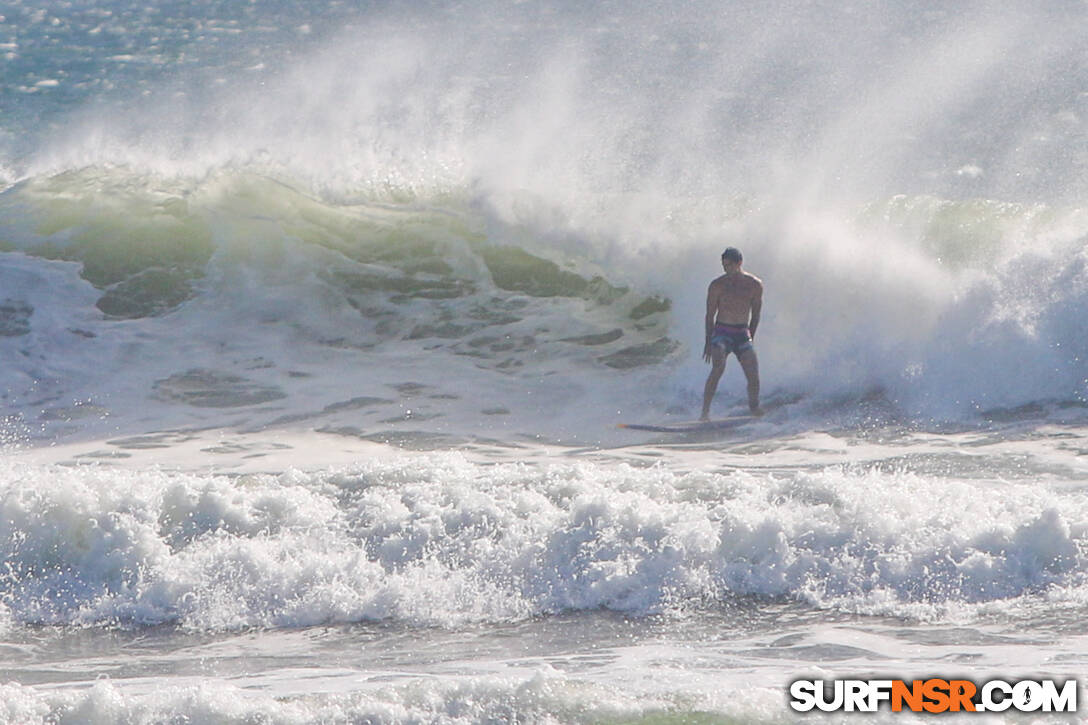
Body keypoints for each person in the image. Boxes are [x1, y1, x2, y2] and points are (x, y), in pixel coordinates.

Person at [701, 246, 763, 420]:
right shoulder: (717, 285)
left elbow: (756, 314)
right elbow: (709, 315)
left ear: (739, 263)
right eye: (724, 266)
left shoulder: (754, 285)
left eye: (729, 265)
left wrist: (751, 338)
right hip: (722, 332)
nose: (726, 269)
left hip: (742, 333)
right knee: (718, 366)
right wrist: (708, 341)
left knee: (753, 373)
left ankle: (754, 409)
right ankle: (704, 413)